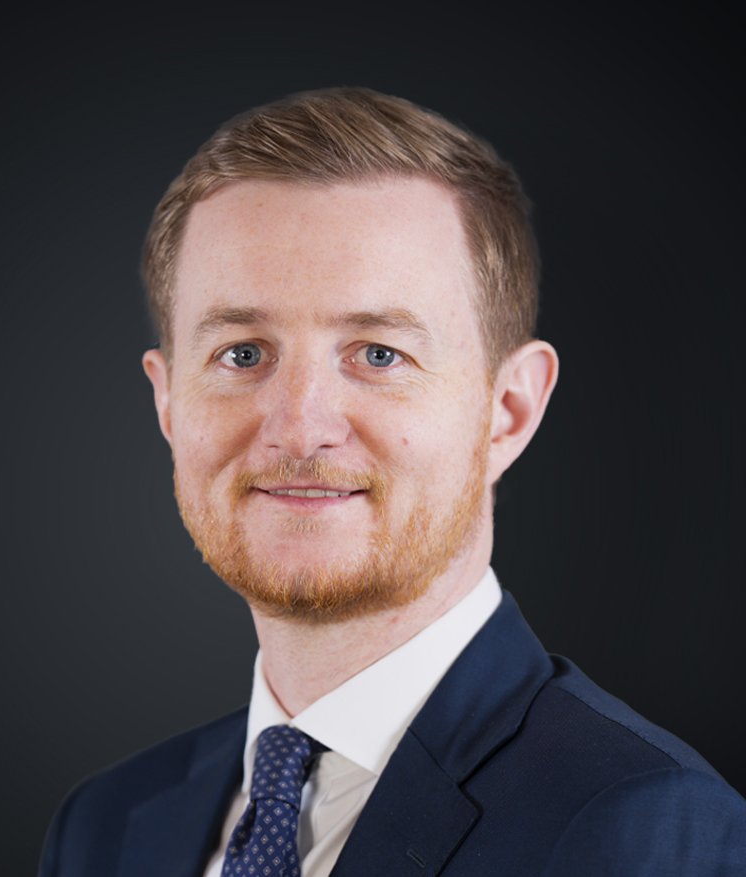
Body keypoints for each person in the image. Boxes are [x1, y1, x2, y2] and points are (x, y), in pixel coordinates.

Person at [39, 87, 746, 876]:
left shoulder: (644, 826)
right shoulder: (105, 826)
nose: (300, 427)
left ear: (508, 410)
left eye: (379, 353)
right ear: (168, 401)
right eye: (242, 353)